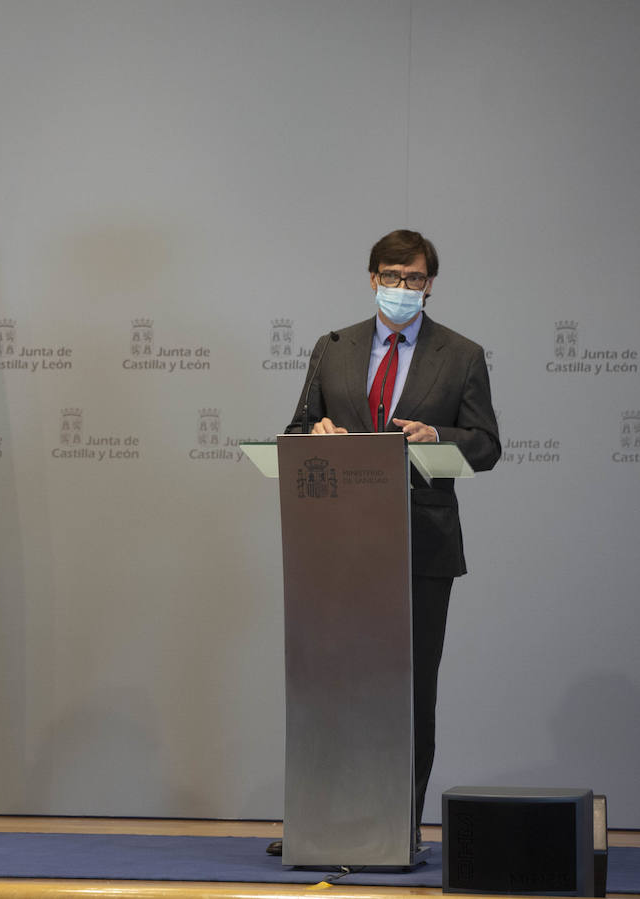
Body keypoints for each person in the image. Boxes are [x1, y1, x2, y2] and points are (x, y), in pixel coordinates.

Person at [283, 229, 500, 843]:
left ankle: (395, 827)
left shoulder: (460, 354)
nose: (401, 288)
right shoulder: (333, 348)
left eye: (413, 279)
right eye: (390, 275)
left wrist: (439, 436)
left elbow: (486, 446)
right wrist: (316, 431)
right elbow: (296, 428)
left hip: (420, 547)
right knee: (331, 686)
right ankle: (322, 823)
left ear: (430, 284)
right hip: (337, 544)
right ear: (371, 277)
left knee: (408, 693)